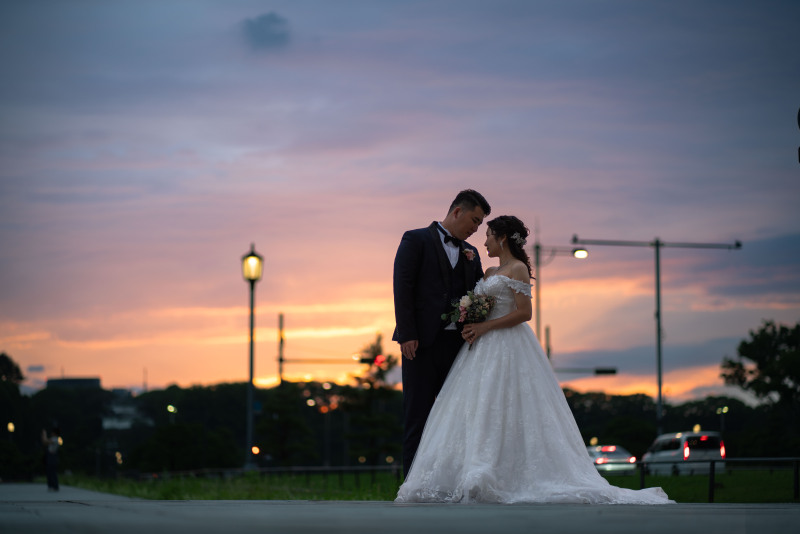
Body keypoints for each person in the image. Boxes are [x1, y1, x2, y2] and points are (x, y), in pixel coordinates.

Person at [396, 215, 673, 504]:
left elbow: (524, 313)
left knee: (510, 406)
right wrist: (470, 318)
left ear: (502, 237)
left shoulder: (517, 269)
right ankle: (470, 469)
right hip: (479, 350)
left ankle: (502, 474)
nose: (484, 240)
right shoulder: (488, 271)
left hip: (507, 344)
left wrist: (484, 326)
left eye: (488, 234)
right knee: (479, 409)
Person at [393, 189, 491, 476]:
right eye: (474, 221)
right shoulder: (415, 239)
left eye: (480, 224)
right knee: (417, 416)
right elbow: (403, 287)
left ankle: (449, 481)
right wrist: (408, 334)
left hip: (457, 347)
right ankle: (410, 485)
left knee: (456, 418)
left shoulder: (470, 255)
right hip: (420, 343)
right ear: (457, 211)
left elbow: (477, 292)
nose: (475, 229)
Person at [42, 426, 60, 491]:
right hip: (51, 456)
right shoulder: (54, 439)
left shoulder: (55, 439)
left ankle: (54, 486)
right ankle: (52, 486)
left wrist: (44, 434)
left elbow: (45, 441)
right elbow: (45, 442)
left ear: (55, 433)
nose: (51, 433)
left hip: (52, 456)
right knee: (50, 471)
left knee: (52, 471)